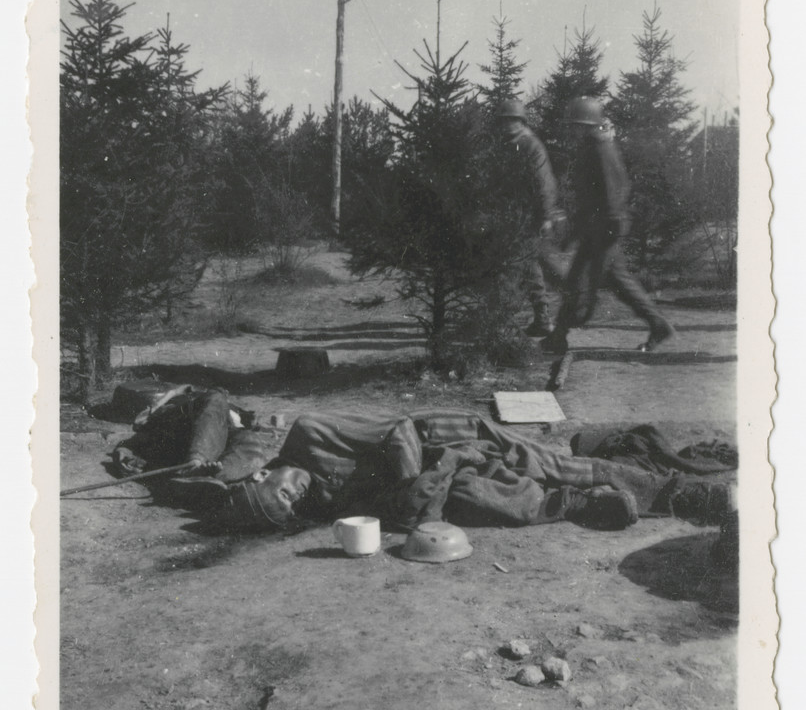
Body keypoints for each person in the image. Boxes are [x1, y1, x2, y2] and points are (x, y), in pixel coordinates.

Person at [113, 388, 733, 536]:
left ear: (265, 472)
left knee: (545, 460)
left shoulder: (310, 432)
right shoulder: (322, 500)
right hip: (434, 464)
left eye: (286, 488)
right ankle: (592, 507)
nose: (299, 494)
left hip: (436, 431)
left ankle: (679, 493)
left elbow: (403, 429)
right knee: (476, 501)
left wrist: (412, 487)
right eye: (293, 507)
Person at [544, 96, 676, 355]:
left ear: (589, 124)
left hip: (604, 229)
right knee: (617, 282)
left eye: (577, 125)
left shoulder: (601, 150)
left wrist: (609, 226)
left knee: (578, 284)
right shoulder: (591, 148)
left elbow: (615, 189)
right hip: (596, 228)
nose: (572, 130)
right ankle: (658, 325)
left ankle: (560, 334)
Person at [496, 98, 567, 337]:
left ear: (521, 121)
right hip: (511, 217)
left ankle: (502, 322)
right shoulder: (506, 145)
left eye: (513, 120)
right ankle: (542, 318)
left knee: (515, 267)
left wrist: (546, 215)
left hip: (529, 217)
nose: (507, 125)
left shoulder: (530, 146)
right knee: (529, 267)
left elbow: (544, 183)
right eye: (504, 121)